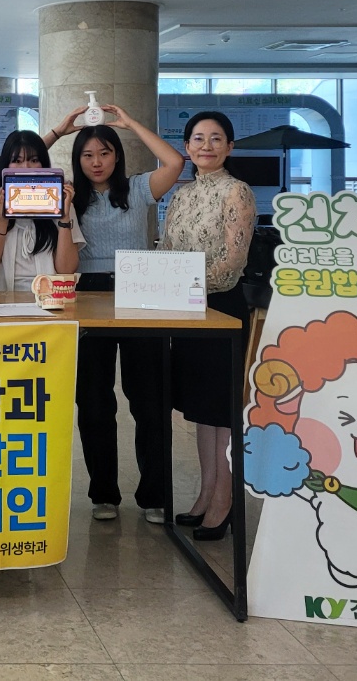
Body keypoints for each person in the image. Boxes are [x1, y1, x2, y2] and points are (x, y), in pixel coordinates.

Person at [50, 103, 185, 525]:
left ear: (117, 156)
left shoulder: (139, 188)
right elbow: (17, 164)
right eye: (88, 155)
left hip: (140, 289)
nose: (96, 162)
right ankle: (103, 493)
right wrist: (60, 129)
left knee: (149, 400)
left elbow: (175, 162)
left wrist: (129, 123)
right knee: (93, 401)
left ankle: (155, 495)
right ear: (78, 159)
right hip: (86, 293)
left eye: (105, 153)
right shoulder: (68, 195)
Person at [161, 110, 256, 542]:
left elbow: (231, 264)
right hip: (187, 311)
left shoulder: (238, 191)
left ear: (230, 147)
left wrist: (182, 284)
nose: (207, 146)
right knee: (201, 412)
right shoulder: (181, 195)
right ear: (186, 147)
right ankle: (205, 494)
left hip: (221, 309)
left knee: (223, 411)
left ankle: (225, 500)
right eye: (198, 138)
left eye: (216, 138)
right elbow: (166, 249)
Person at [0, 129, 82, 291]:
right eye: (17, 161)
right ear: (6, 165)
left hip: (50, 298)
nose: (26, 167)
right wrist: (2, 221)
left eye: (34, 160)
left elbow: (66, 270)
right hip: (3, 299)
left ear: (44, 164)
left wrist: (64, 218)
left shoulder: (62, 202)